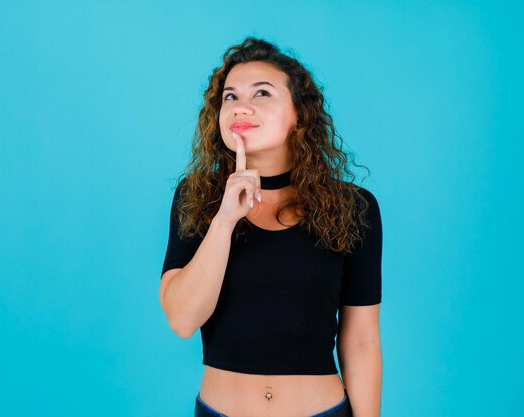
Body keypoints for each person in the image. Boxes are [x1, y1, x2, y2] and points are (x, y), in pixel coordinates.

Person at [159, 37, 382, 417]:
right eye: (229, 97)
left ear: (299, 114)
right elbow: (182, 319)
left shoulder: (353, 207)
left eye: (261, 93)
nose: (240, 106)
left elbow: (360, 340)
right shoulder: (196, 197)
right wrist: (225, 218)